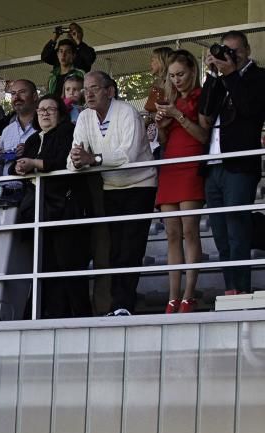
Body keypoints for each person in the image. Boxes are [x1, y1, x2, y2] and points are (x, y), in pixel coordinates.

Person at [68, 71, 157, 316]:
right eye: (86, 89)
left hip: (140, 185)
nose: (88, 93)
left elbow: (127, 155)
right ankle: (118, 305)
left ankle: (123, 305)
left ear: (110, 91)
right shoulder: (85, 117)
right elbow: (74, 153)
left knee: (131, 248)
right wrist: (75, 161)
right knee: (115, 249)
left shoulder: (127, 112)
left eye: (94, 88)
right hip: (111, 187)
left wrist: (92, 159)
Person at [199, 29, 265, 297]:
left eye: (235, 51)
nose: (229, 55)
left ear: (247, 51)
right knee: (220, 232)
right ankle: (231, 289)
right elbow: (204, 111)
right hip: (212, 162)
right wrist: (213, 77)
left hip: (239, 163)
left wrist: (230, 75)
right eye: (224, 50)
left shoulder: (259, 77)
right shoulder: (221, 77)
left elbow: (251, 108)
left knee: (238, 227)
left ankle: (242, 290)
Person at [15, 94, 92, 318]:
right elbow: (15, 166)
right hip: (38, 210)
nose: (45, 113)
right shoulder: (32, 139)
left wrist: (35, 164)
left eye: (51, 109)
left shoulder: (69, 132)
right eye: (41, 110)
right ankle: (49, 315)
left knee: (69, 265)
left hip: (65, 209)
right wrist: (20, 167)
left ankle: (80, 316)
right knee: (45, 267)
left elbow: (64, 162)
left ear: (61, 113)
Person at [154, 50, 210, 313]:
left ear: (192, 71)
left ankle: (189, 294)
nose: (176, 80)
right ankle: (172, 296)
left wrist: (177, 116)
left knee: (190, 231)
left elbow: (202, 135)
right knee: (172, 234)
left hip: (191, 164)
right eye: (172, 75)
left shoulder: (201, 96)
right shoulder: (169, 99)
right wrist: (162, 126)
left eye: (181, 74)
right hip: (171, 166)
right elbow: (164, 143)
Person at [0, 80, 39, 200]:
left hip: (36, 191)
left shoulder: (45, 125)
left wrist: (29, 152)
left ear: (35, 96)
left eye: (22, 92)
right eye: (13, 93)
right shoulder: (7, 131)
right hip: (7, 194)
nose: (16, 97)